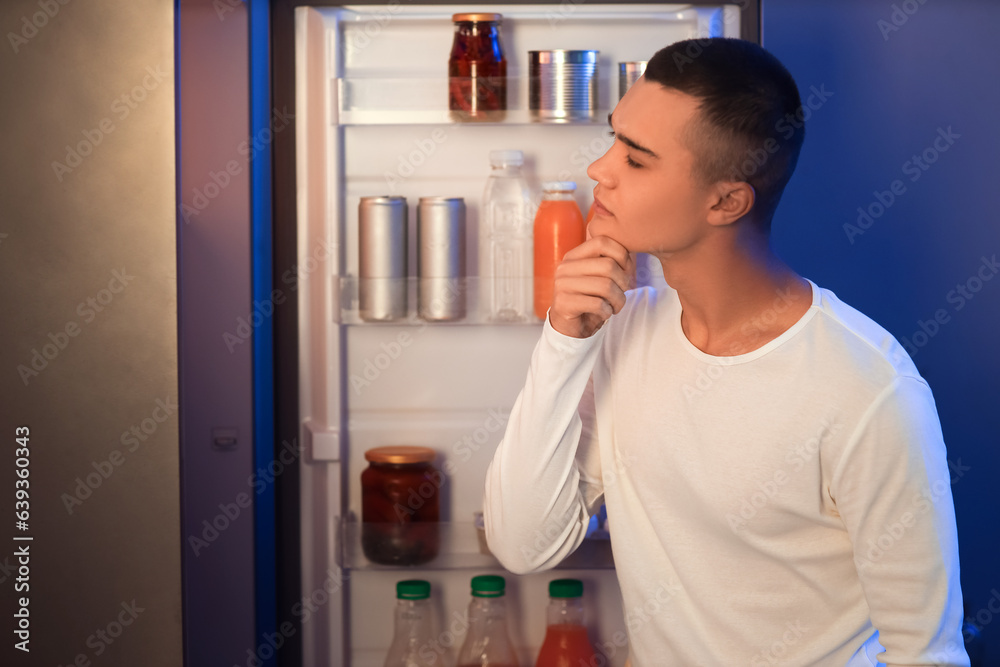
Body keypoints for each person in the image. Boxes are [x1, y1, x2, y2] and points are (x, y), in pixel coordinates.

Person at [483, 38, 969, 667]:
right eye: (613, 140)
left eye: (635, 159)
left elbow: (926, 652)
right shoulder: (623, 331)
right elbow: (525, 545)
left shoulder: (867, 387)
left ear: (726, 201)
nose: (599, 170)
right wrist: (562, 342)